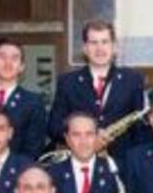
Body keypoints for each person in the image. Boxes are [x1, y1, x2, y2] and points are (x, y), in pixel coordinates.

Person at [48, 19, 146, 149]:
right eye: (93, 43)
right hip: (82, 160)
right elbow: (54, 127)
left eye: (105, 42)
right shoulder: (67, 82)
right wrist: (87, 138)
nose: (100, 48)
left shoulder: (133, 80)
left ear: (114, 47)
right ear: (85, 48)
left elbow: (140, 127)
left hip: (123, 163)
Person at [0, 37, 49, 159]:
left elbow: (34, 149)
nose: (8, 63)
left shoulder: (33, 103)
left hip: (19, 173)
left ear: (22, 66)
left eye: (14, 58)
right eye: (2, 57)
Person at [48, 113, 126, 193]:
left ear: (96, 137)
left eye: (89, 134)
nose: (83, 142)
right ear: (67, 139)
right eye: (76, 135)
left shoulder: (114, 169)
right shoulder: (51, 174)